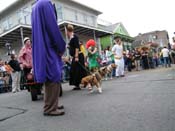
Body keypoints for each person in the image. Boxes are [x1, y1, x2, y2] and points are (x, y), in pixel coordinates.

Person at [32, 0, 66, 116]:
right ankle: (50, 108)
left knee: (49, 77)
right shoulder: (45, 3)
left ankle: (51, 104)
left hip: (42, 45)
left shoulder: (36, 6)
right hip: (49, 46)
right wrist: (61, 46)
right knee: (54, 75)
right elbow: (53, 28)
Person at [66, 24, 87, 90]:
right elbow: (74, 46)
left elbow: (77, 47)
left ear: (68, 31)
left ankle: (85, 82)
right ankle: (79, 84)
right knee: (75, 70)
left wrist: (76, 56)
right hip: (75, 56)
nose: (66, 33)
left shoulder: (74, 36)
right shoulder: (72, 37)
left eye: (66, 31)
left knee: (78, 70)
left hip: (78, 56)